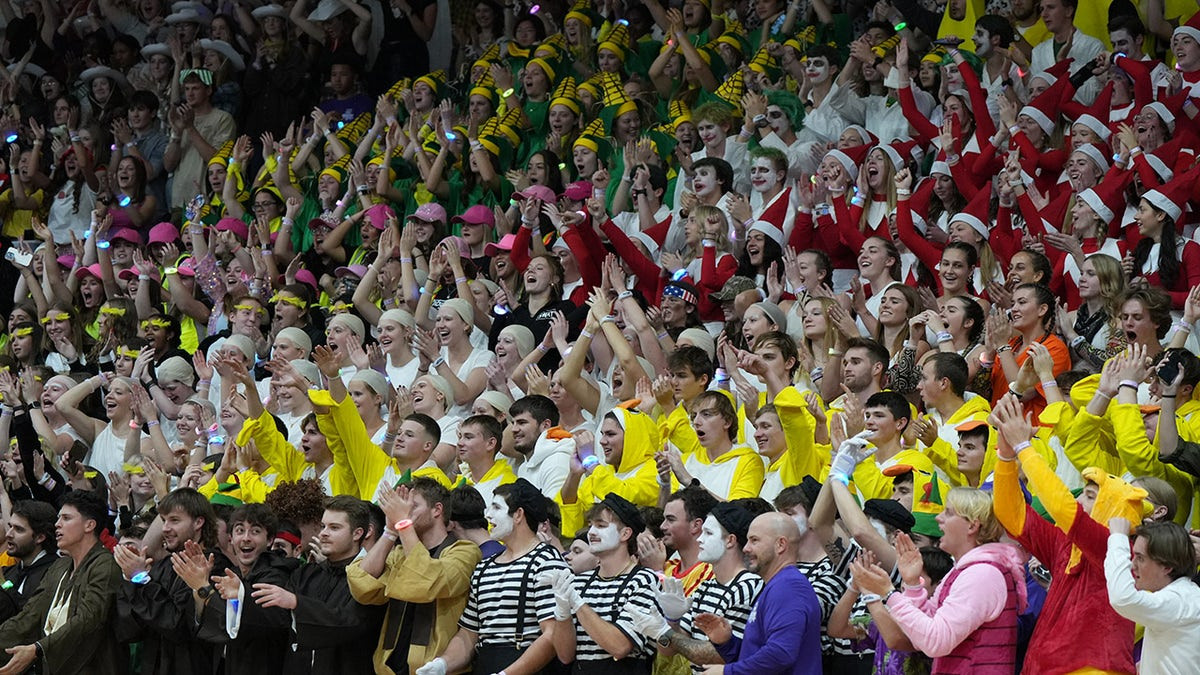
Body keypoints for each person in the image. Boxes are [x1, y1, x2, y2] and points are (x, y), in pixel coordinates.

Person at [857, 488, 1027, 672]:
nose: (939, 518)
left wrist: (889, 594)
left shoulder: (982, 574)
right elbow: (919, 637)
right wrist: (913, 584)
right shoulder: (967, 569)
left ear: (972, 526)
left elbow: (936, 642)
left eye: (948, 512)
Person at [417, 479, 570, 675]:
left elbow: (552, 635)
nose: (487, 514)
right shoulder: (484, 567)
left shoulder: (546, 562)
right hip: (486, 663)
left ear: (518, 515)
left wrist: (509, 674)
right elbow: (469, 633)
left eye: (496, 507)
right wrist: (443, 664)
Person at [346, 478, 482, 674]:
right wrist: (390, 531)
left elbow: (428, 582)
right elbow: (362, 585)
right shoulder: (399, 552)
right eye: (402, 508)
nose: (404, 513)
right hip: (390, 668)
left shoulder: (465, 551)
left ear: (437, 510)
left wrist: (403, 523)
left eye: (412, 507)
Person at [249, 496, 385, 674]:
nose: (323, 533)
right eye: (323, 526)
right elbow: (275, 621)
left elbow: (350, 623)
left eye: (334, 527)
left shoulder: (370, 578)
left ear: (358, 533)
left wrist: (297, 603)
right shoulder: (306, 573)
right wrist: (239, 595)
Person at [0, 491, 128, 673]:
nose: (57, 524)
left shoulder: (105, 565)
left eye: (66, 518)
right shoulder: (60, 565)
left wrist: (38, 648)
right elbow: (29, 615)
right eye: (58, 518)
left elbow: (87, 620)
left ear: (89, 525)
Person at [630, 502, 762, 673]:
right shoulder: (707, 586)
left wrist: (665, 632)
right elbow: (668, 650)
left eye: (708, 533)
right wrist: (672, 621)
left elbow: (719, 654)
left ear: (730, 540)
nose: (699, 539)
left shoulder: (748, 586)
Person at [541, 493, 662, 675]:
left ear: (625, 533)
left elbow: (620, 647)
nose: (591, 533)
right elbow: (565, 655)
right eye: (591, 526)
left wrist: (577, 602)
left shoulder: (644, 580)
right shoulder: (579, 581)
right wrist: (562, 611)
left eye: (601, 526)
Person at [115, 487, 232, 675]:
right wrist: (131, 577)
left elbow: (177, 626)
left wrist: (142, 579)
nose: (165, 528)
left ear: (198, 522)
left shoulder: (214, 566)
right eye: (163, 521)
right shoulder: (164, 565)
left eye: (174, 520)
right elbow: (129, 630)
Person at [693, 512, 822, 675]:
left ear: (780, 545)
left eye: (754, 540)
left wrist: (728, 672)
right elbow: (756, 655)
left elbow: (781, 654)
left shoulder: (788, 587)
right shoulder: (777, 585)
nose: (746, 548)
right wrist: (727, 643)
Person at [1104, 518, 1200, 673]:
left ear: (1167, 566)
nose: (1133, 565)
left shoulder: (1178, 600)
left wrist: (1118, 538)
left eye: (1140, 558)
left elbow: (1122, 598)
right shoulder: (1185, 595)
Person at [0, 501, 57, 623]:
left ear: (39, 537)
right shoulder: (9, 570)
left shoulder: (54, 572)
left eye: (19, 529)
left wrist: (3, 583)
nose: (9, 534)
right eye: (10, 527)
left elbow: (26, 617)